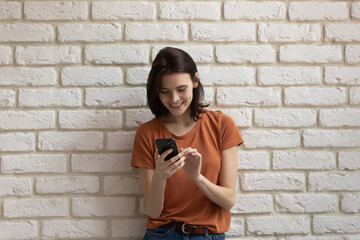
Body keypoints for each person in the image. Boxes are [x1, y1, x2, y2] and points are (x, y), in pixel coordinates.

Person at [131, 47, 244, 239]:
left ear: (195, 81)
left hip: (208, 235)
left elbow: (228, 201)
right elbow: (153, 211)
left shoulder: (221, 125)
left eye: (181, 89)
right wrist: (160, 176)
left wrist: (197, 177)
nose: (174, 99)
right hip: (163, 234)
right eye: (164, 92)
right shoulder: (147, 132)